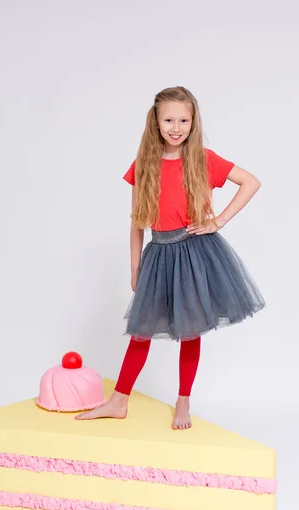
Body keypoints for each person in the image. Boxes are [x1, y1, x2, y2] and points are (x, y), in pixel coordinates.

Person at [76, 86, 265, 429]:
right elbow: (136, 222)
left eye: (183, 120)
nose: (176, 127)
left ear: (193, 122)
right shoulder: (144, 164)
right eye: (168, 120)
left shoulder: (204, 159)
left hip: (194, 253)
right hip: (158, 254)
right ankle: (119, 401)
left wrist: (217, 221)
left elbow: (250, 182)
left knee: (191, 331)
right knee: (141, 332)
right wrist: (135, 266)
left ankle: (183, 401)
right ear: (156, 122)